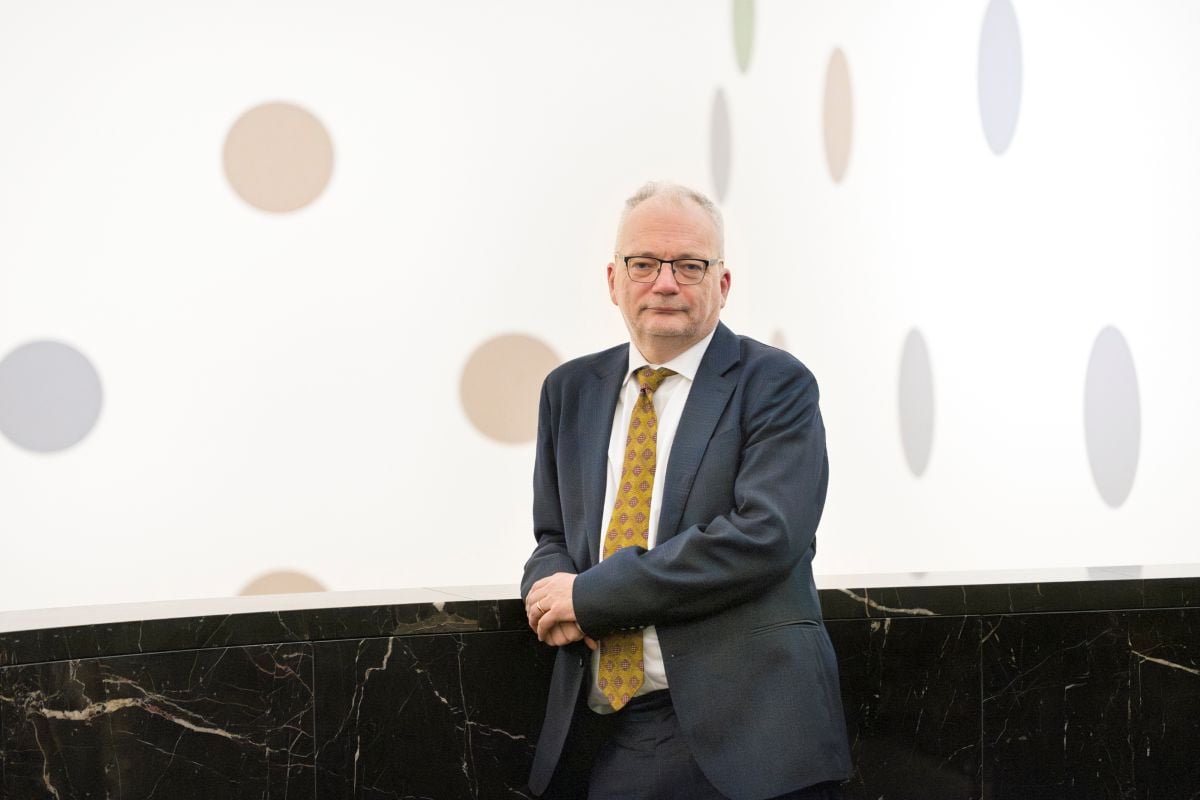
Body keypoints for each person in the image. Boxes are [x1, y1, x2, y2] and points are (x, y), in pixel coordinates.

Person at [521, 181, 851, 800]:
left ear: (721, 284)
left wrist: (591, 598)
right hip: (605, 732)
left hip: (752, 740)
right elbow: (554, 535)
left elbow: (766, 535)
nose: (664, 282)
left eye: (689, 265)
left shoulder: (776, 384)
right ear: (613, 280)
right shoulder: (569, 390)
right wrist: (545, 593)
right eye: (643, 264)